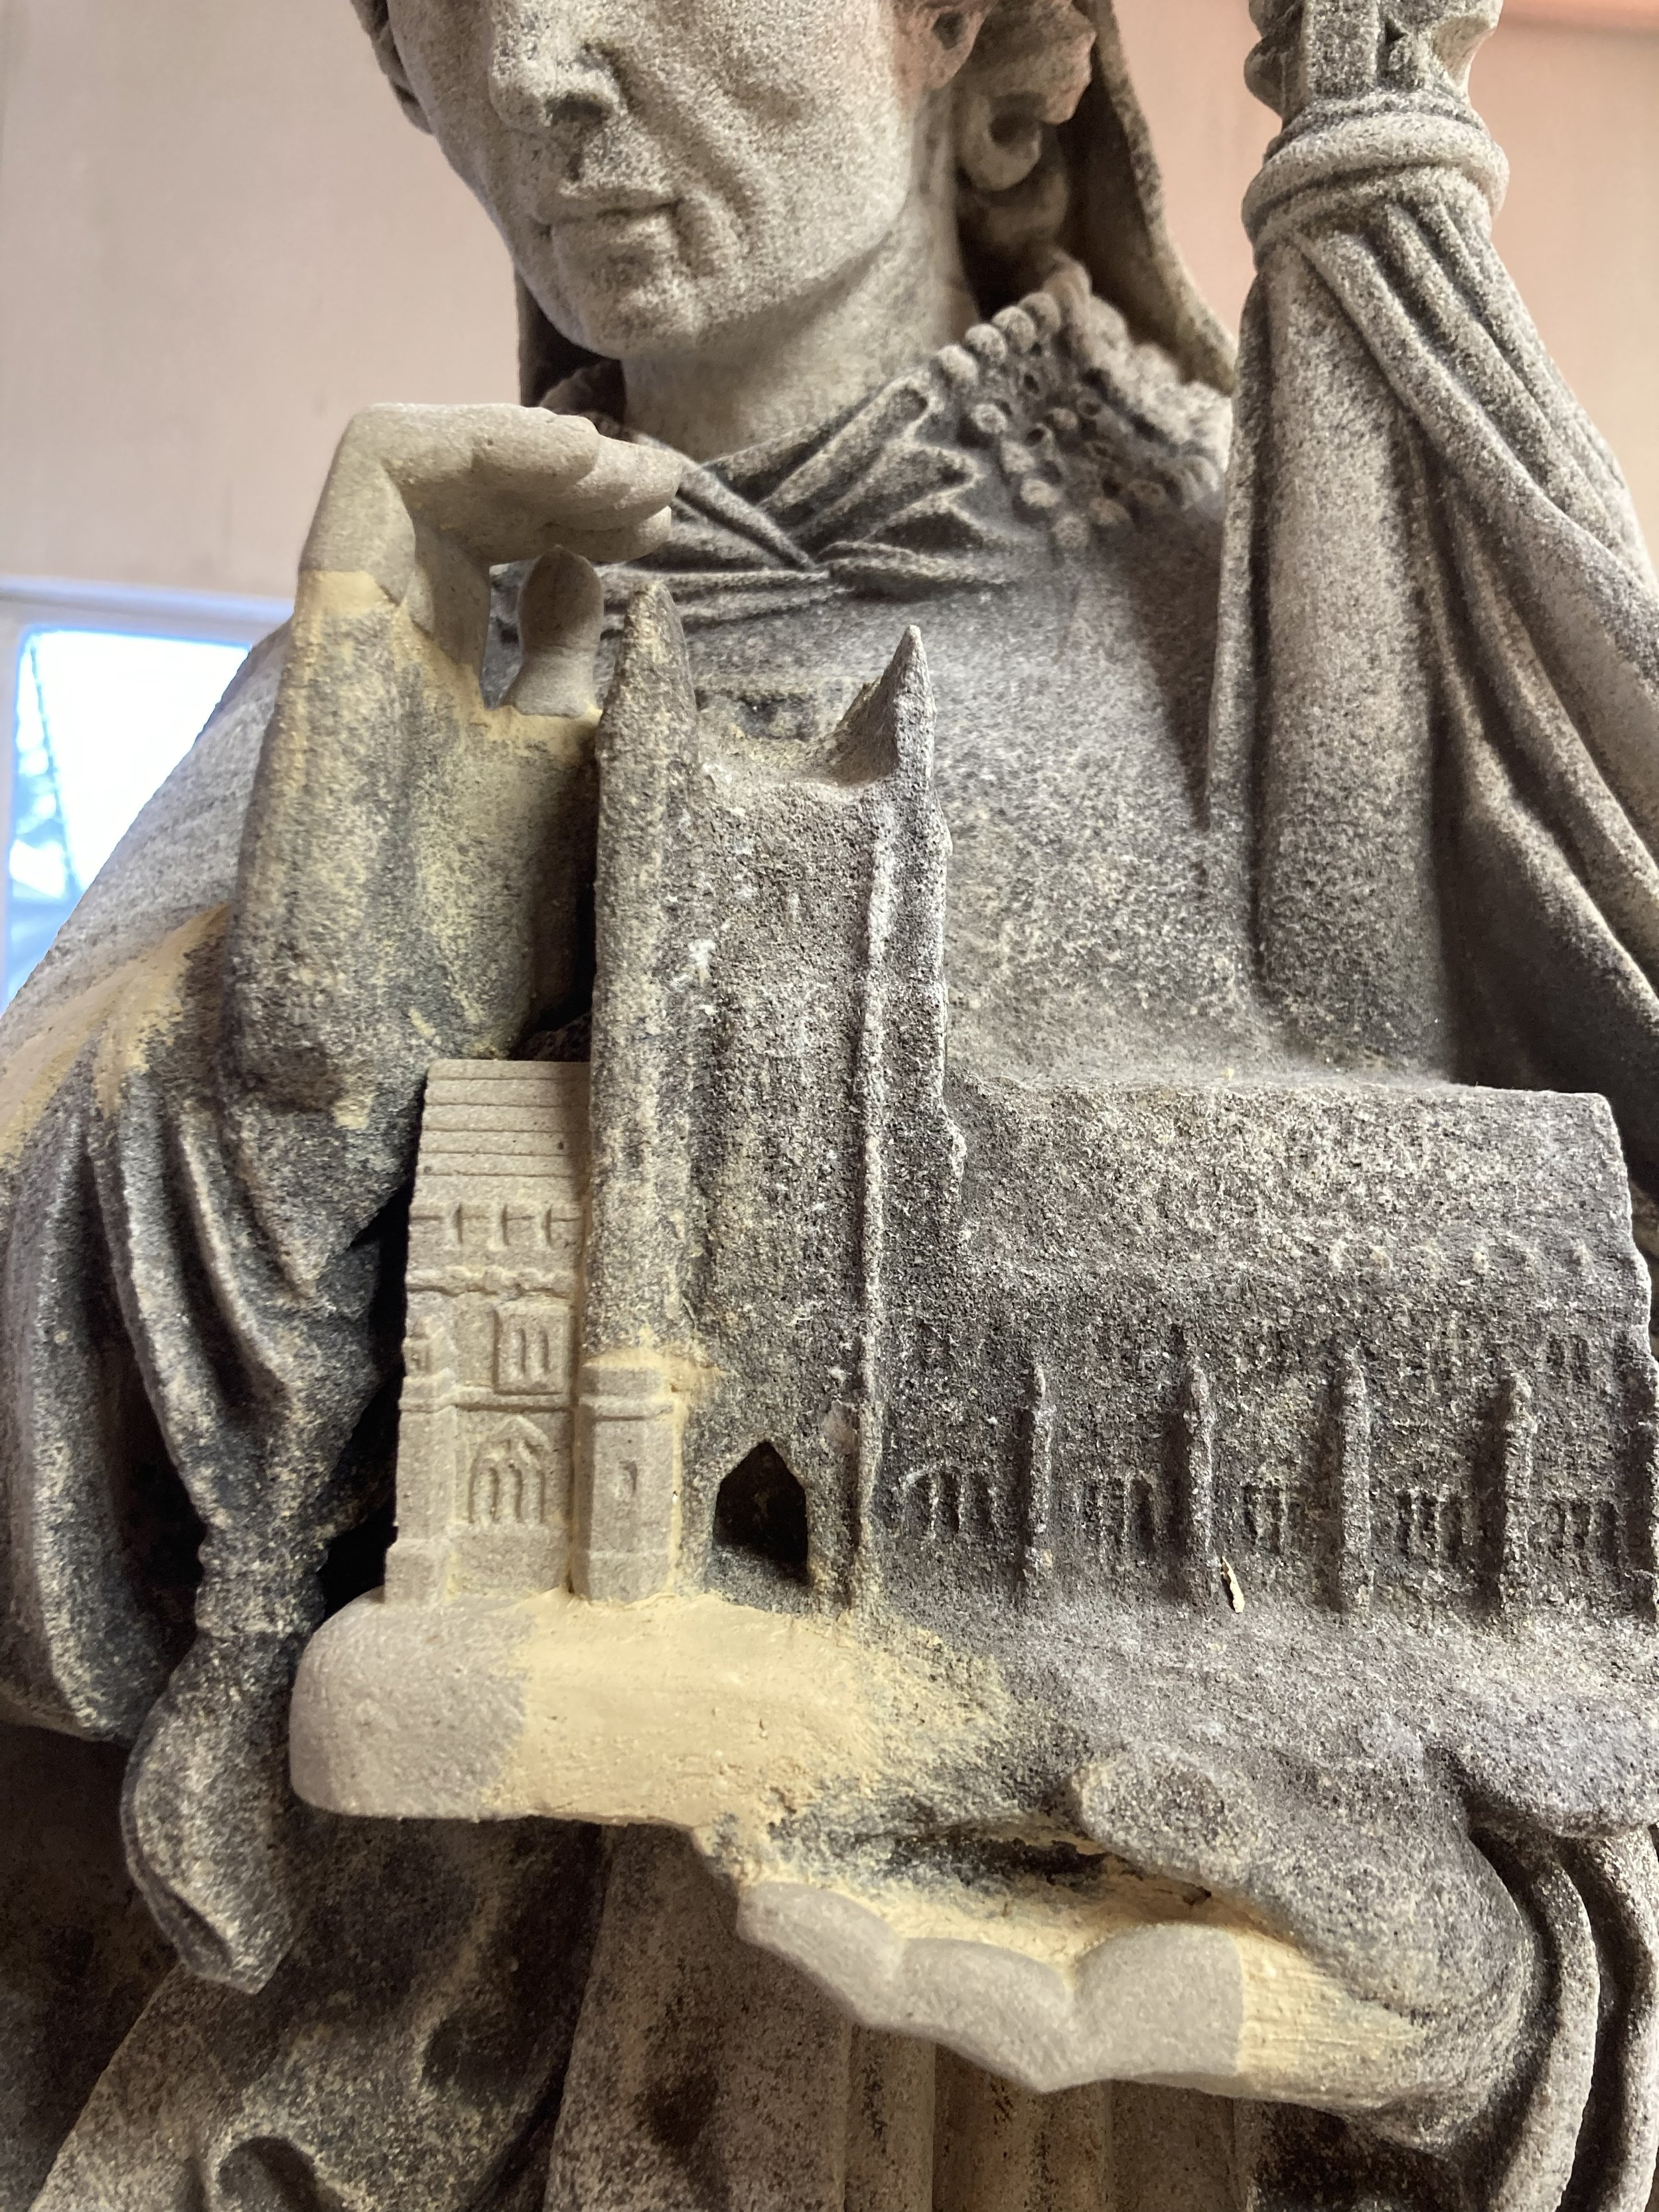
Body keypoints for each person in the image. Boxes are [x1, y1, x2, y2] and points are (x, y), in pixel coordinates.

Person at [8, 0, 1659, 2204]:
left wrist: (1500, 2008)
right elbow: (50, 1525)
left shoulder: (1315, 628)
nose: (545, 62)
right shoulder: (394, 674)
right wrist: (310, 1041)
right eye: (452, 7)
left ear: (963, 30)